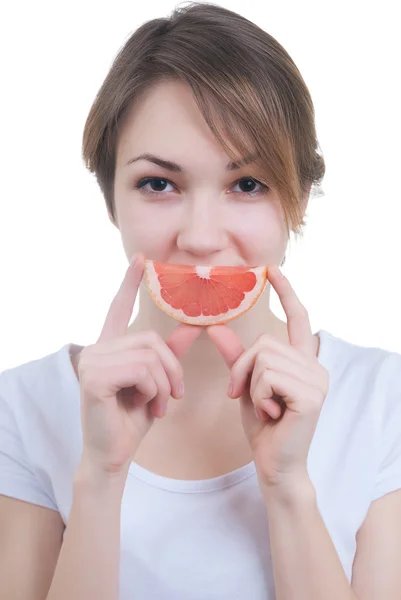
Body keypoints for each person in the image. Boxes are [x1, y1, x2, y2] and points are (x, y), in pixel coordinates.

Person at [1, 3, 400, 599]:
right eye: (158, 183)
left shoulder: (382, 400)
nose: (203, 236)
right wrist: (101, 479)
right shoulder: (23, 407)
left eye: (248, 184)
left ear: (300, 197)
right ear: (111, 198)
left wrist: (288, 483)